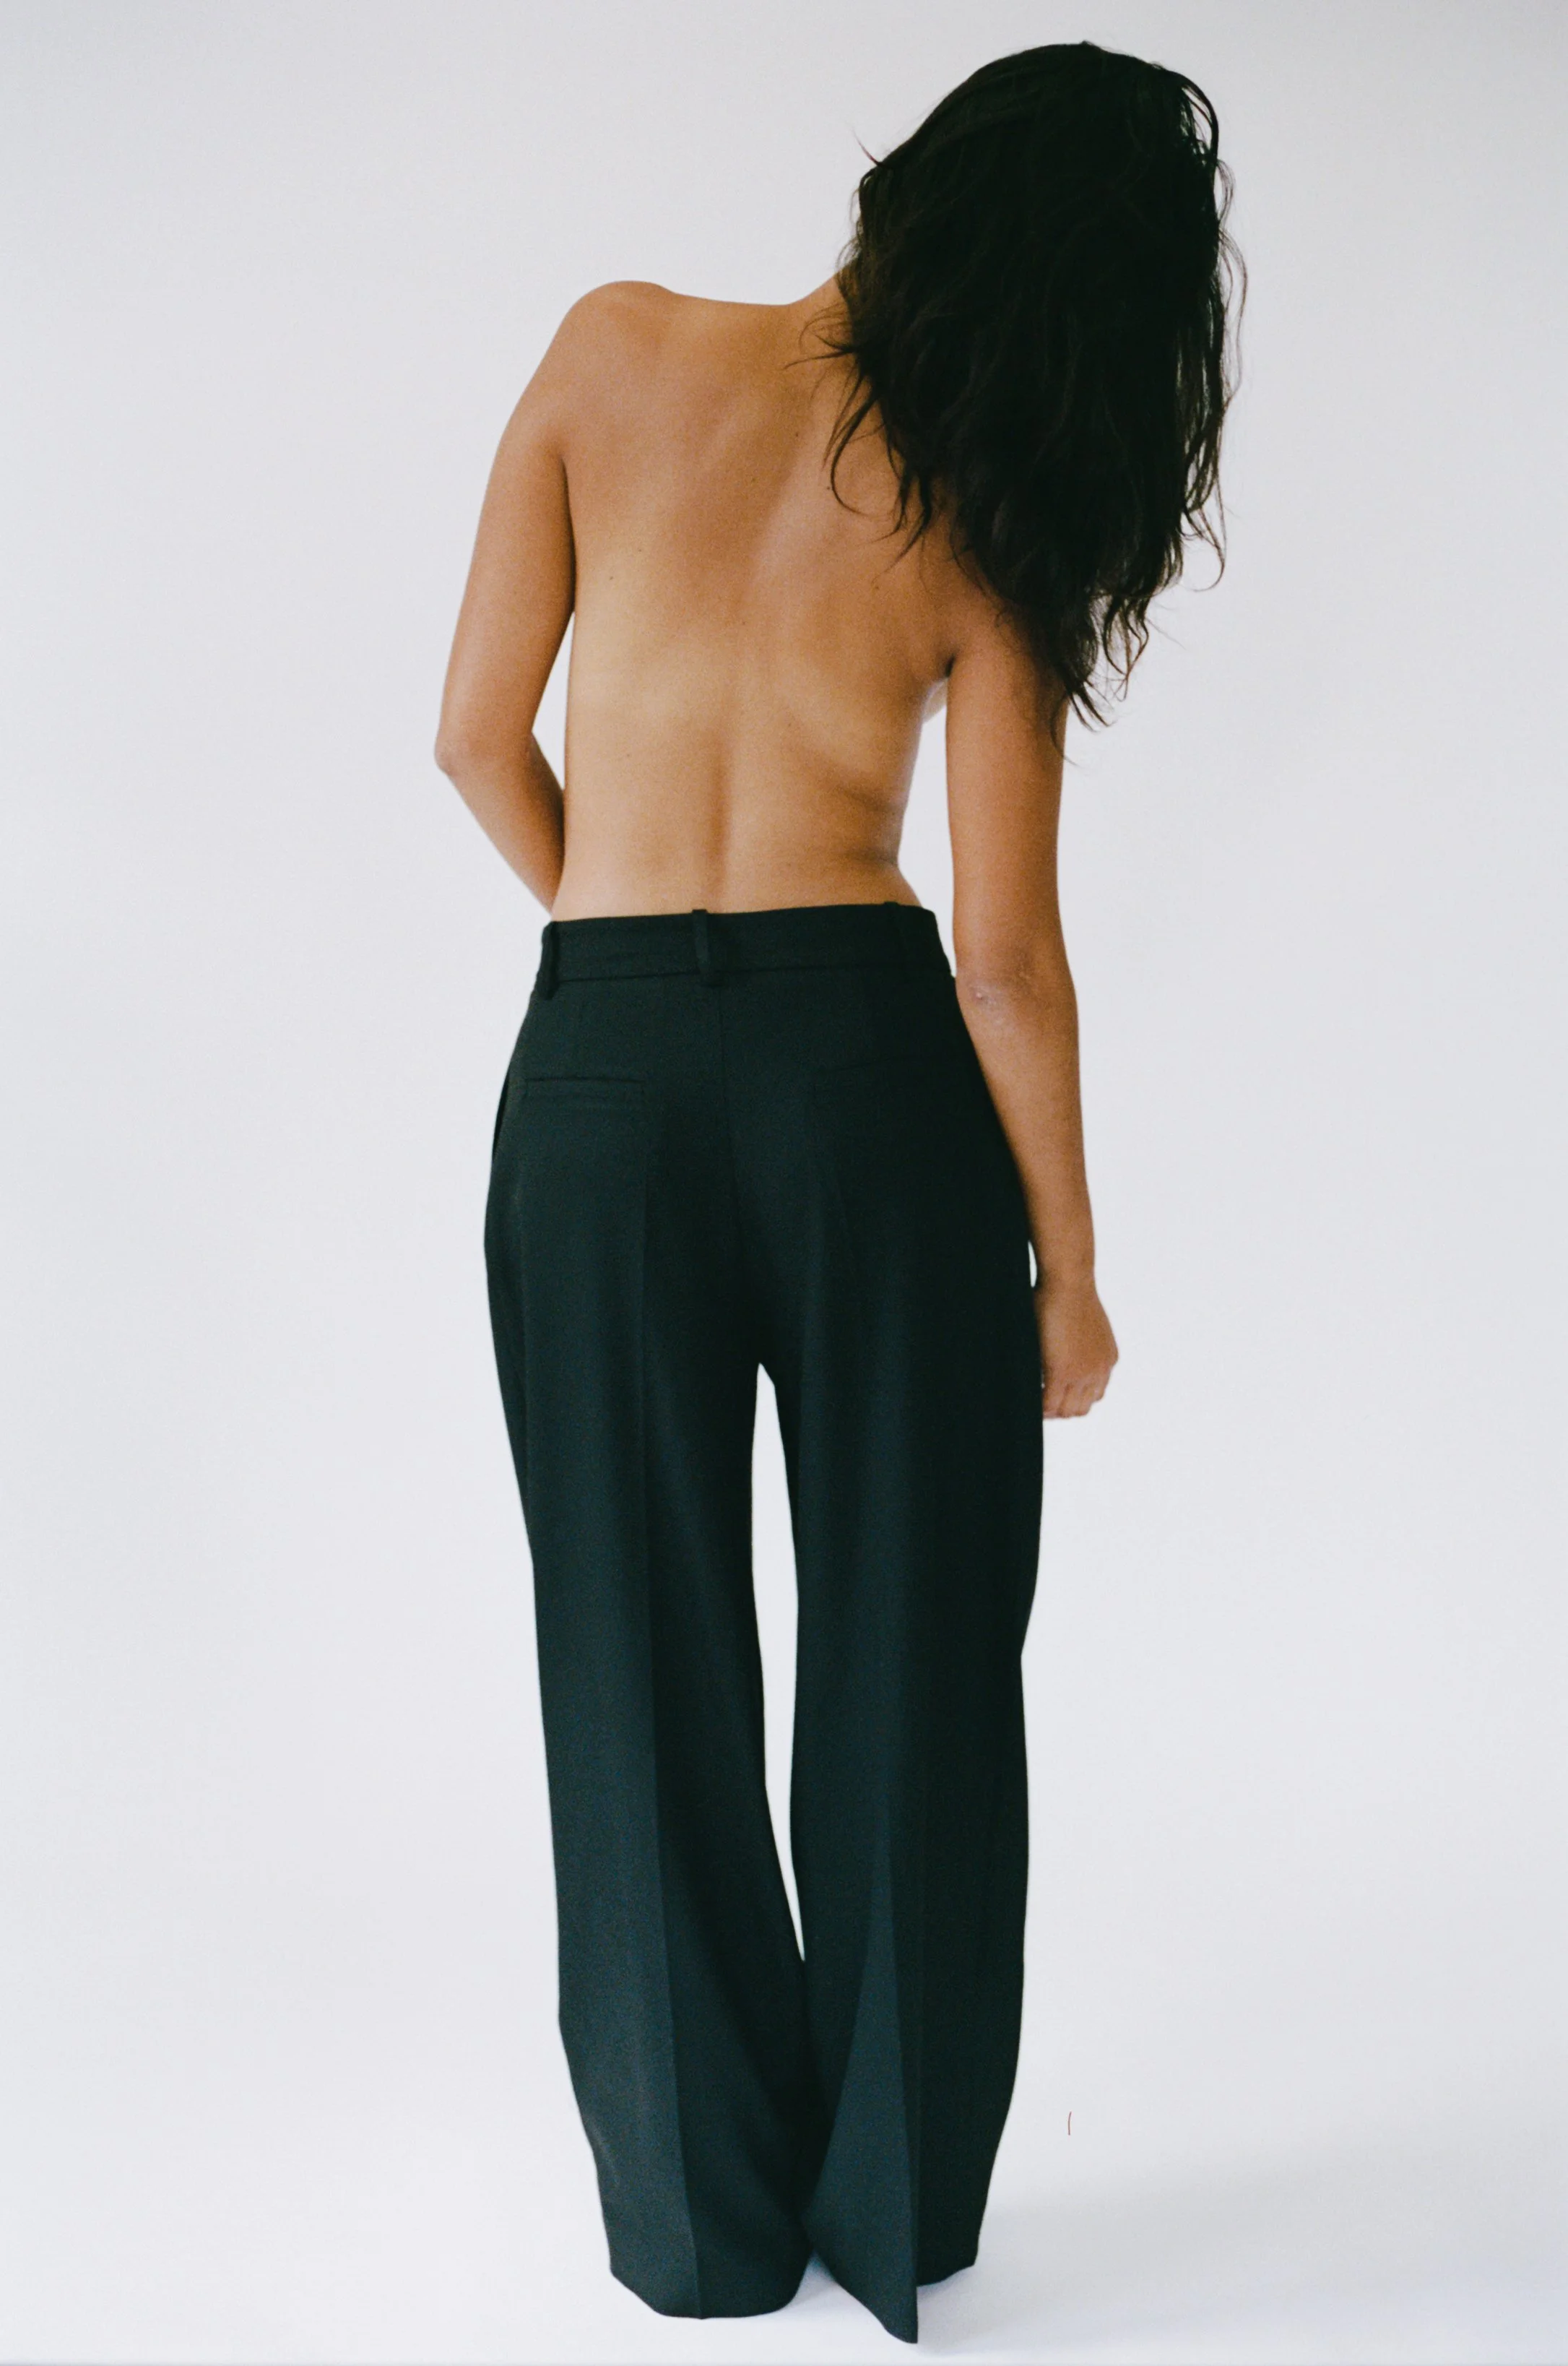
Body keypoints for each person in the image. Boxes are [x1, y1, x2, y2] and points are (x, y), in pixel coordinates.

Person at [434, 38, 1240, 2346]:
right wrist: (1069, 1272)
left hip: (588, 1086)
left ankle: (696, 2236)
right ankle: (892, 2220)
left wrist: (630, 973)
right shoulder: (978, 503)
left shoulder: (607, 353)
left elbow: (476, 731)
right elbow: (997, 958)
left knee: (631, 1649)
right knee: (911, 1655)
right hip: (865, 1085)